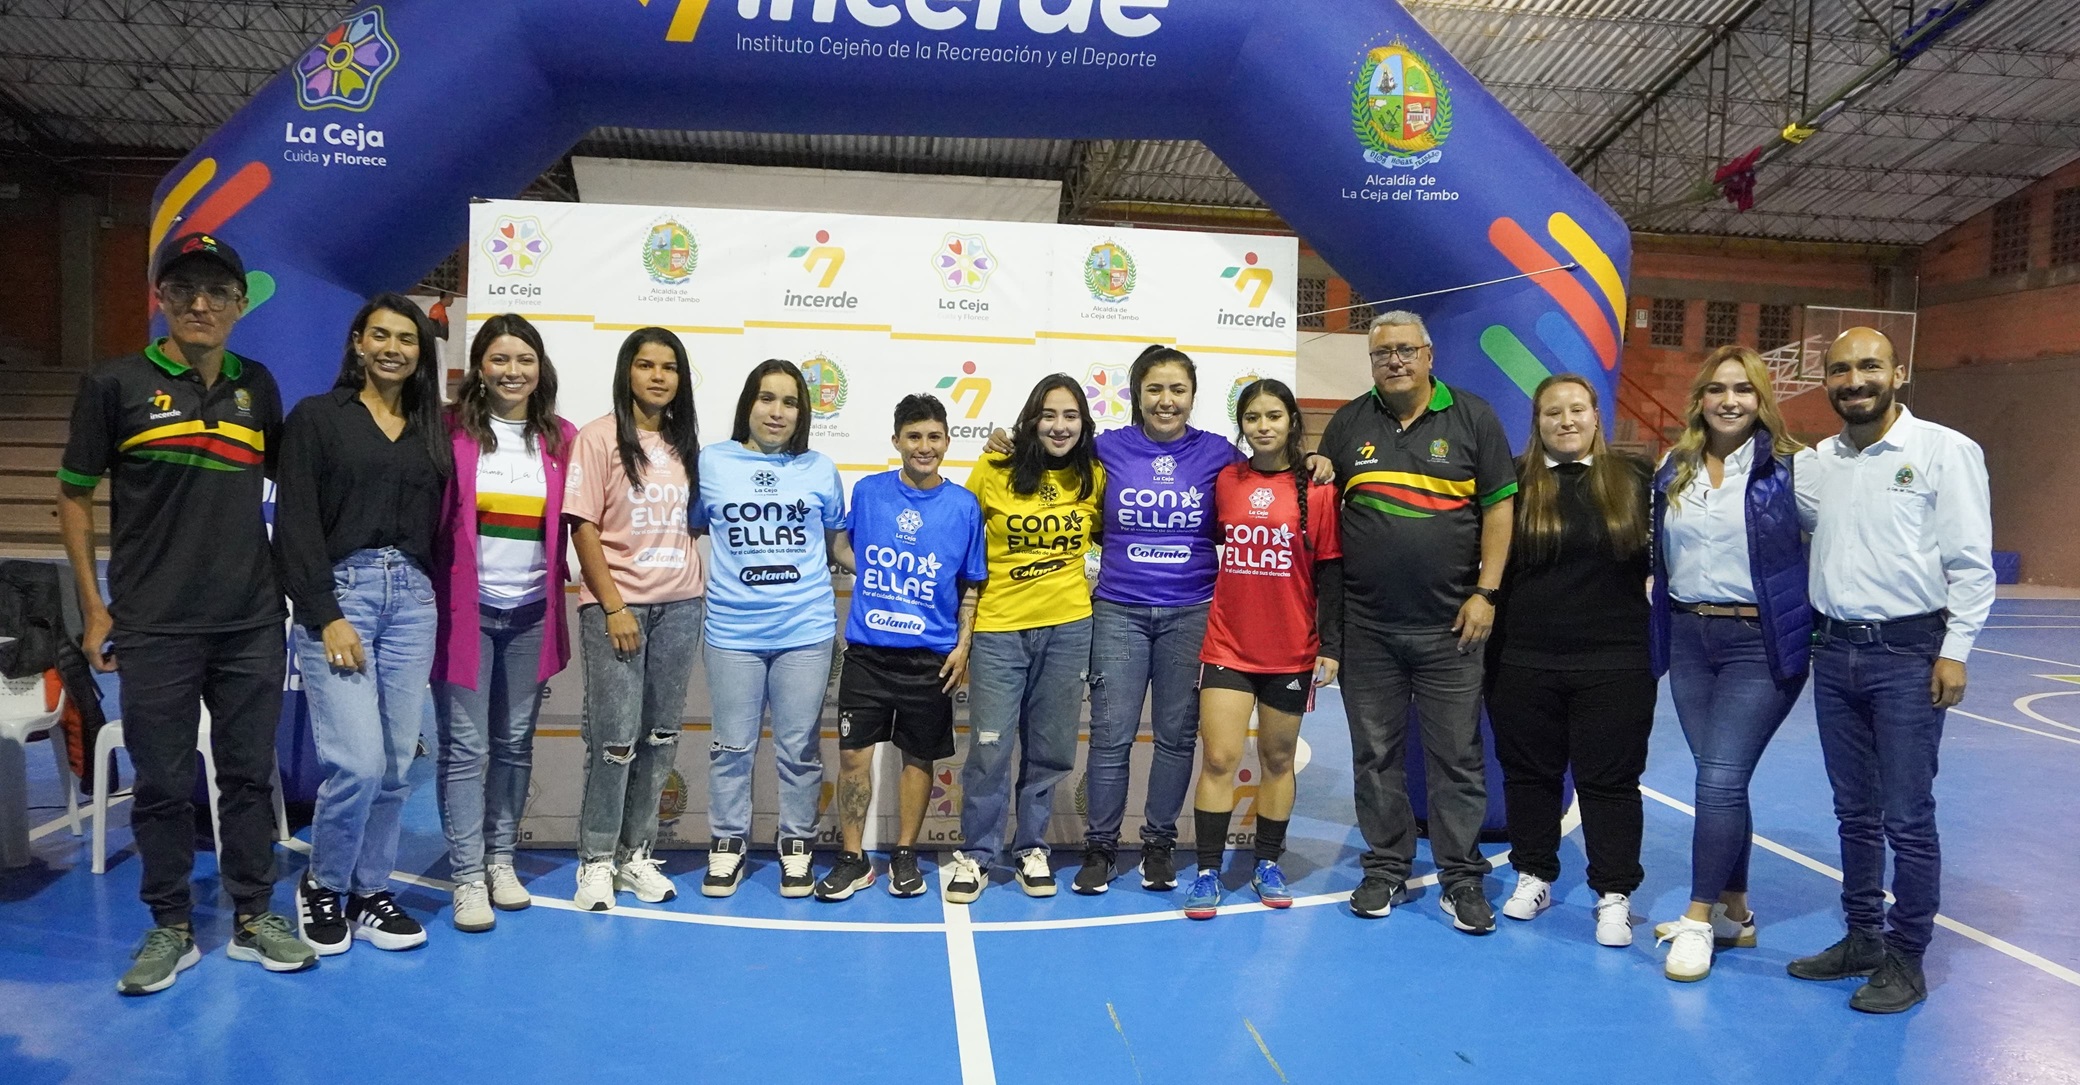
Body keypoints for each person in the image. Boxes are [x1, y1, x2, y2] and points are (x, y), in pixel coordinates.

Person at [57, 233, 316, 993]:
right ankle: (170, 924)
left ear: (240, 304)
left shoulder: (256, 387)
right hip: (155, 624)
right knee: (164, 781)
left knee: (243, 776)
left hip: (248, 622)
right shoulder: (116, 385)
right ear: (162, 300)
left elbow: (294, 487)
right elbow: (73, 496)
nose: (200, 303)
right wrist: (95, 606)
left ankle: (253, 914)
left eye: (216, 291)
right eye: (184, 290)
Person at [1787, 327, 1993, 1014]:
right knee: (1854, 811)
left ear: (1897, 372)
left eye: (1869, 366)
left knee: (1907, 815)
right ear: (1826, 381)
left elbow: (1971, 563)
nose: (1855, 380)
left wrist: (1955, 646)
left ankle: (1907, 957)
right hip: (1834, 650)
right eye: (1840, 369)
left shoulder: (1945, 451)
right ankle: (1862, 937)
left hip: (1908, 654)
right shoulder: (1819, 461)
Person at [984, 345, 1241, 895]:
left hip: (1191, 611)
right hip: (1119, 611)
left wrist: (1316, 461)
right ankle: (1100, 847)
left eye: (1177, 389)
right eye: (1154, 389)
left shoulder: (1219, 453)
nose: (1165, 400)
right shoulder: (1105, 451)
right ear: (1136, 395)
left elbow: (1267, 484)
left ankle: (1158, 845)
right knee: (1110, 738)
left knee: (1175, 739)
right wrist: (1006, 440)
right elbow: (1049, 466)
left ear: (1193, 396)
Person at [1314, 310, 1516, 932]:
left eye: (1406, 351)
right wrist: (1313, 467)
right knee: (1375, 755)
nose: (1395, 361)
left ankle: (1461, 879)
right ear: (1371, 362)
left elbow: (1499, 513)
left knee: (1455, 756)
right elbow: (1323, 512)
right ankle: (1385, 868)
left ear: (1429, 355)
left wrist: (1486, 591)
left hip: (1451, 628)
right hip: (1368, 630)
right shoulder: (1349, 423)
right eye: (1383, 354)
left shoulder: (1473, 417)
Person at [276, 293, 453, 955]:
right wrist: (325, 614)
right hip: (343, 595)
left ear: (420, 351)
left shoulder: (431, 426)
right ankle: (322, 883)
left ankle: (369, 891)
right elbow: (294, 522)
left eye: (405, 338)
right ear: (356, 342)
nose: (392, 348)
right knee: (357, 760)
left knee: (397, 767)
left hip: (413, 598)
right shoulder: (319, 418)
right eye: (379, 335)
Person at [1647, 346, 1811, 982]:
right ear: (1700, 400)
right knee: (1723, 778)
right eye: (1717, 389)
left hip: (1757, 643)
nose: (1729, 401)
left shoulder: (1794, 469)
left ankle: (1695, 920)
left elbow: (1838, 534)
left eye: (1743, 389)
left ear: (1762, 398)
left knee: (1716, 779)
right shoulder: (1675, 466)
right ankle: (1734, 912)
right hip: (1690, 639)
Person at [1485, 375, 1654, 948]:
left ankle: (1614, 893)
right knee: (1531, 777)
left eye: (1576, 409)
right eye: (1552, 412)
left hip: (1616, 663)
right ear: (1536, 422)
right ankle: (1534, 874)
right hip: (1524, 660)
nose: (1565, 420)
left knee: (1611, 782)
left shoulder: (1635, 480)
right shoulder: (1510, 481)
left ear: (1595, 415)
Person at [430, 314, 578, 932]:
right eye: (499, 359)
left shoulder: (561, 438)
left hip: (530, 614)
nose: (512, 371)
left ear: (539, 369)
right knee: (467, 749)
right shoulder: (447, 432)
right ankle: (466, 876)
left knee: (514, 745)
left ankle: (500, 859)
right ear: (479, 368)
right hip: (465, 613)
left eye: (524, 359)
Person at [814, 394, 986, 902]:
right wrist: (866, 570)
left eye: (934, 437)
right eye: (914, 436)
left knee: (918, 760)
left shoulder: (963, 505)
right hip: (867, 654)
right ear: (896, 441)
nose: (924, 446)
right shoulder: (868, 492)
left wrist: (964, 645)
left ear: (948, 442)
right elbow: (840, 545)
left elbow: (972, 583)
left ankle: (905, 854)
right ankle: (853, 858)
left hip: (929, 659)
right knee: (852, 760)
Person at [1182, 379, 1342, 920]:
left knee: (1277, 759)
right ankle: (1207, 871)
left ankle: (1267, 863)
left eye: (1274, 415)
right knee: (1221, 758)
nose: (1263, 426)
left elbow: (1330, 572)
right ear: (1242, 425)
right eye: (1252, 417)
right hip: (1228, 644)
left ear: (1292, 421)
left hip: (1292, 650)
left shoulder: (1317, 489)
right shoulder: (1226, 478)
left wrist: (1330, 645)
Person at [692, 359, 852, 899]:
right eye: (766, 398)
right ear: (748, 404)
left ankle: (797, 845)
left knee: (799, 748)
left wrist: (899, 569)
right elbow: (689, 530)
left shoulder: (819, 468)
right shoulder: (712, 461)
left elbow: (837, 547)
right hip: (732, 631)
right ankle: (728, 845)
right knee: (732, 747)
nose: (776, 411)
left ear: (802, 412)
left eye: (789, 402)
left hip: (805, 630)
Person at [945, 375, 1105, 904]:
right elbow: (964, 542)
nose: (1060, 426)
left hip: (1068, 627)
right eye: (1049, 414)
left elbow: (1106, 538)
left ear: (1084, 424)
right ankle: (977, 853)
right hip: (998, 629)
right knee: (990, 748)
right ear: (1031, 418)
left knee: (1051, 748)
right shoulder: (994, 467)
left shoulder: (1095, 475)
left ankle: (1031, 847)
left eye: (1071, 416)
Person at [563, 327, 704, 911]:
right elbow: (582, 526)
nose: (657, 376)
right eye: (645, 365)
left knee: (661, 737)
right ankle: (596, 860)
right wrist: (615, 606)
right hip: (617, 609)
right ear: (627, 372)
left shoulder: (685, 444)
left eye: (668, 367)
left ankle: (636, 854)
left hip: (681, 606)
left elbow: (691, 524)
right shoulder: (598, 438)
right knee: (615, 739)